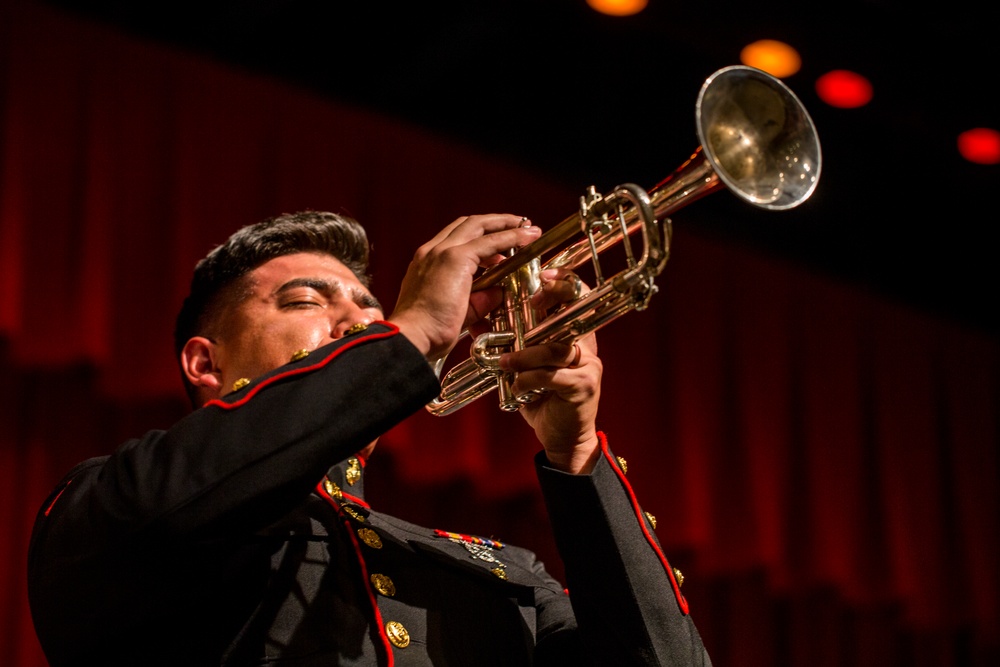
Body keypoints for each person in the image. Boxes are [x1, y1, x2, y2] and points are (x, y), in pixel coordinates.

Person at [26, 210, 711, 665]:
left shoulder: (506, 574)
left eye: (374, 311)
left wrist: (578, 451)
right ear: (206, 363)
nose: (361, 323)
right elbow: (191, 490)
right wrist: (408, 334)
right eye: (304, 302)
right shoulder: (110, 504)